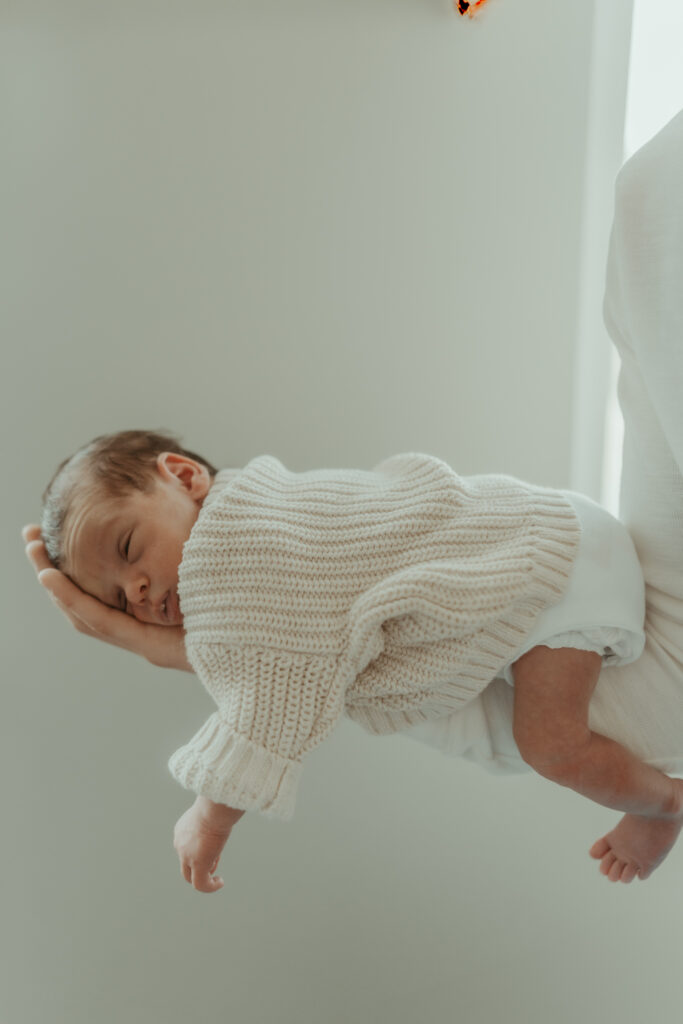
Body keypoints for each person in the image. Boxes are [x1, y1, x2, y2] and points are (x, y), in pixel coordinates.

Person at [22, 108, 683, 892]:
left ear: (186, 475)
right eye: (117, 597)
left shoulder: (238, 549)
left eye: (129, 549)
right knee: (522, 728)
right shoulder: (264, 534)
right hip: (552, 546)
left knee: (552, 745)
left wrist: (210, 813)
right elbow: (291, 656)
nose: (135, 591)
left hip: (553, 572)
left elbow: (269, 705)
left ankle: (662, 806)